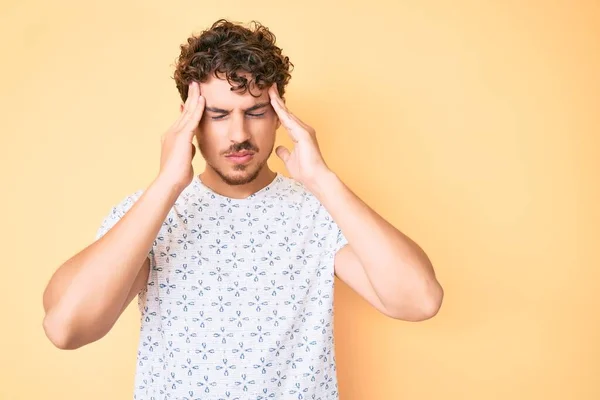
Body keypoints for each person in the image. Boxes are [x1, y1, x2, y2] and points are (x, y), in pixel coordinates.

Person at [42, 19, 443, 400]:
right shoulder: (152, 213)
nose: (239, 135)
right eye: (218, 115)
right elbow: (66, 327)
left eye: (255, 113)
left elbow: (419, 301)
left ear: (278, 115)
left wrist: (323, 181)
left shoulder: (320, 211)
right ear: (191, 121)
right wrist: (167, 184)